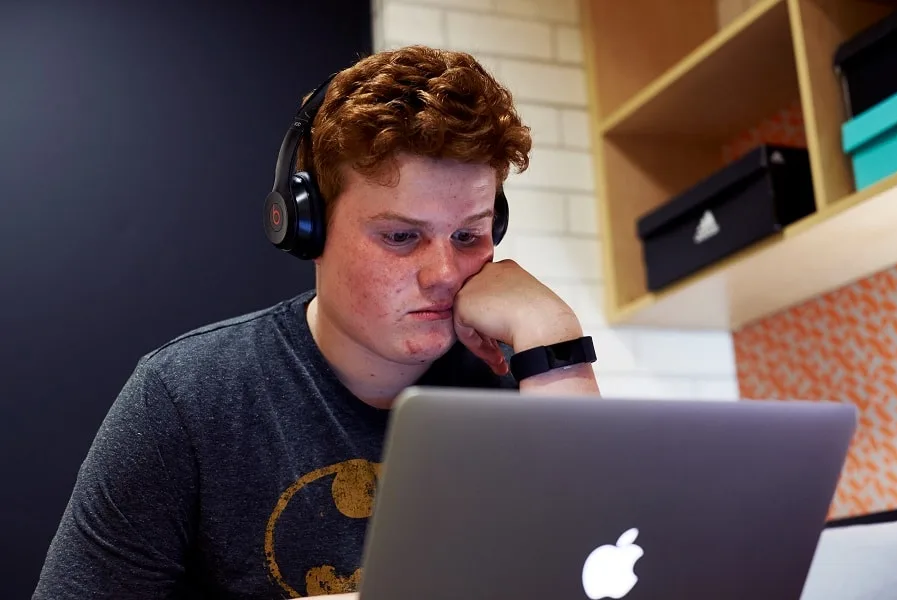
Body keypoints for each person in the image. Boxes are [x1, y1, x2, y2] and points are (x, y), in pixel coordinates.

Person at [32, 44, 600, 600]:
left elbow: (601, 571)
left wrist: (553, 333)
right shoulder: (186, 398)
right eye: (401, 237)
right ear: (307, 228)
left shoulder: (523, 393)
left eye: (469, 235)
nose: (444, 274)